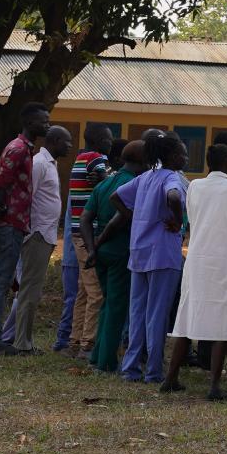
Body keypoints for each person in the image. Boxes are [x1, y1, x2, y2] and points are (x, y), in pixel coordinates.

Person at [162, 142, 227, 398]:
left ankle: (170, 378)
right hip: (225, 261)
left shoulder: (194, 185)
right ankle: (214, 386)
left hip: (197, 260)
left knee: (187, 318)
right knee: (223, 322)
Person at [119, 134, 189, 383]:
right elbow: (173, 197)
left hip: (139, 250)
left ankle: (130, 368)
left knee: (137, 311)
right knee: (157, 314)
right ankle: (154, 371)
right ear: (170, 156)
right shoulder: (172, 178)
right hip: (163, 253)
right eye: (182, 152)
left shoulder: (144, 178)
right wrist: (178, 221)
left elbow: (116, 196)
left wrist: (136, 218)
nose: (186, 157)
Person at [0, 105, 51, 355]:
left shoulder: (28, 150)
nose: (48, 125)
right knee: (0, 282)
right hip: (9, 224)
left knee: (5, 281)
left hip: (18, 224)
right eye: (44, 121)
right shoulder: (18, 149)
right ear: (30, 123)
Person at [4, 126, 71, 355]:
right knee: (29, 291)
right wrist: (31, 231)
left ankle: (13, 337)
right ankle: (22, 344)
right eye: (67, 141)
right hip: (36, 235)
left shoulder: (49, 163)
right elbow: (26, 197)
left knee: (30, 290)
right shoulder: (40, 163)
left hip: (46, 234)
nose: (69, 146)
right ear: (55, 140)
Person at [80, 140, 143, 373]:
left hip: (101, 253)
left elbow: (85, 219)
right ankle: (106, 362)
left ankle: (97, 355)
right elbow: (121, 219)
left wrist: (92, 248)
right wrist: (100, 242)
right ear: (143, 161)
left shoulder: (105, 184)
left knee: (107, 304)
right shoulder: (134, 184)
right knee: (116, 308)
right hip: (119, 251)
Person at [56, 139, 106, 353]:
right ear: (101, 141)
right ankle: (88, 343)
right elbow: (105, 181)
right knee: (97, 293)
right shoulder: (96, 159)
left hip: (78, 234)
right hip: (88, 236)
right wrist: (105, 177)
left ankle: (75, 339)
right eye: (108, 140)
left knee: (84, 291)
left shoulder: (79, 160)